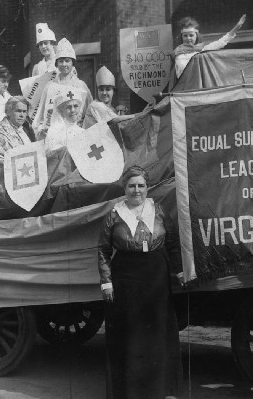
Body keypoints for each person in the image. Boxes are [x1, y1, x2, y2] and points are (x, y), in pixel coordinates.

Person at [98, 166, 183, 399]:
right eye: (131, 186)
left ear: (147, 187)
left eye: (141, 185)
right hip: (125, 278)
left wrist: (179, 271)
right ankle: (130, 391)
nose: (136, 190)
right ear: (124, 188)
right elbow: (104, 250)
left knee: (156, 334)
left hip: (156, 276)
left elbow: (173, 244)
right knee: (131, 336)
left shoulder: (160, 210)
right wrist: (107, 283)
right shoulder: (114, 214)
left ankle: (157, 390)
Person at [33, 38, 93, 138]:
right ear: (56, 64)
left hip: (78, 136)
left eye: (67, 61)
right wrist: (41, 131)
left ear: (72, 63)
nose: (64, 64)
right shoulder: (50, 87)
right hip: (56, 138)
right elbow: (40, 118)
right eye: (60, 61)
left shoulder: (81, 85)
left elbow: (90, 114)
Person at [173, 14, 246, 79]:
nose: (188, 38)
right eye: (185, 36)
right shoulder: (178, 52)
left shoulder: (203, 50)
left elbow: (220, 42)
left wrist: (237, 27)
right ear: (181, 37)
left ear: (197, 36)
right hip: (183, 90)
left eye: (191, 35)